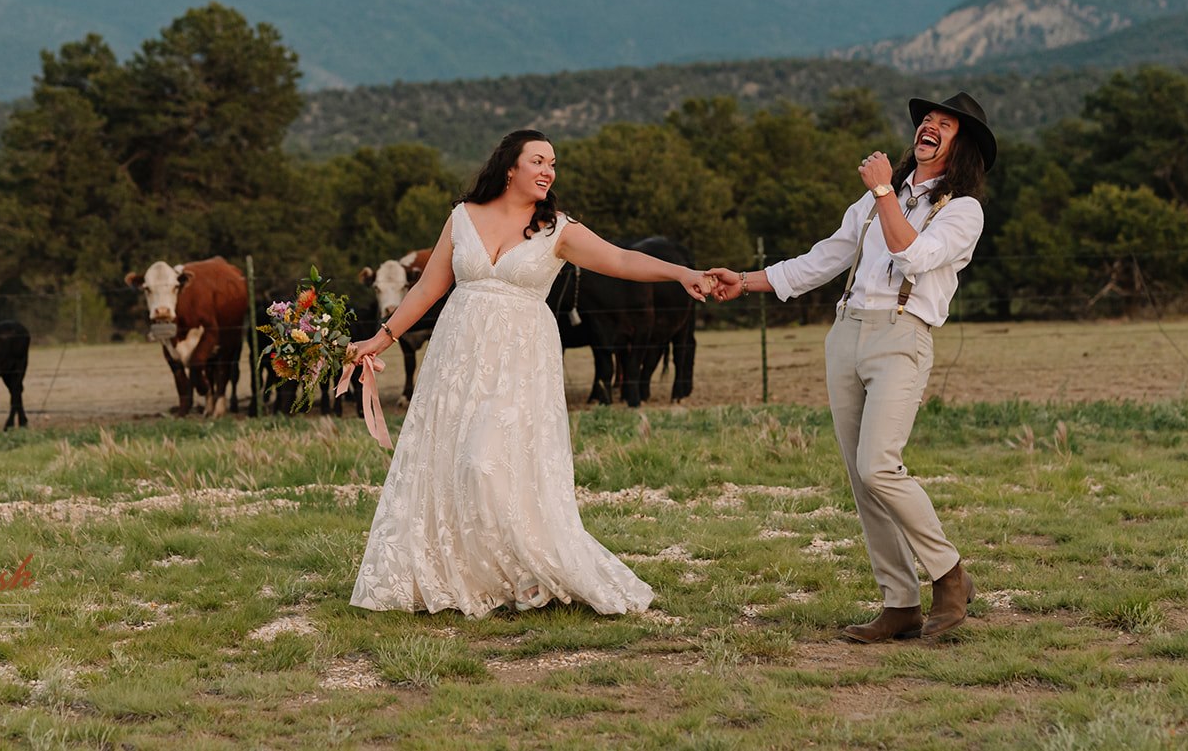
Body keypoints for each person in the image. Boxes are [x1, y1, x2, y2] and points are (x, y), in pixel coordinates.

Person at [345, 129, 718, 617]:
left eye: (554, 163)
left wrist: (680, 273)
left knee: (487, 460)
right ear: (509, 168)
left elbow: (622, 260)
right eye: (539, 160)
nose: (549, 170)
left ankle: (525, 566)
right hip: (457, 359)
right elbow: (428, 289)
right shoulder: (462, 217)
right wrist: (380, 338)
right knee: (453, 462)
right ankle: (472, 569)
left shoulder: (556, 229)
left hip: (521, 362)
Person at [709, 92, 997, 643]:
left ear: (962, 146)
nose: (928, 128)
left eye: (944, 125)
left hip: (902, 336)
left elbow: (911, 255)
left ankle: (950, 574)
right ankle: (900, 605)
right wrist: (743, 281)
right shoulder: (870, 203)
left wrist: (885, 190)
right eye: (926, 120)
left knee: (879, 467)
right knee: (861, 482)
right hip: (846, 335)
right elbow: (822, 259)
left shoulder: (962, 210)